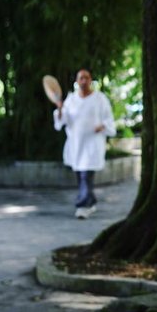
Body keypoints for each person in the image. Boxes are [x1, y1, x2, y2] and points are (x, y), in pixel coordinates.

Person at [53, 69, 116, 219]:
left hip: (93, 144)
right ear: (77, 81)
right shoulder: (71, 100)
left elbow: (109, 119)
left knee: (86, 175)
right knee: (81, 176)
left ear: (90, 80)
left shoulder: (100, 99)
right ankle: (91, 201)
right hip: (76, 145)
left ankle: (82, 206)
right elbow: (63, 120)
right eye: (81, 78)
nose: (84, 81)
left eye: (86, 78)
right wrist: (60, 110)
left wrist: (103, 126)